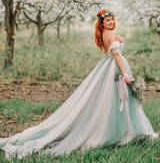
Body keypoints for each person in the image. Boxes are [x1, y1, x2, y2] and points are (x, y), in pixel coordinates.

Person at [0, 9, 158, 159]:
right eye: (107, 20)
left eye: (112, 20)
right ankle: (119, 131)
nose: (110, 22)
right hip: (116, 67)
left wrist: (121, 40)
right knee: (119, 98)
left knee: (119, 98)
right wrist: (125, 73)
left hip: (110, 66)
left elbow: (113, 49)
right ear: (102, 24)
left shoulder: (107, 33)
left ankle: (123, 130)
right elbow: (116, 55)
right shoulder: (108, 32)